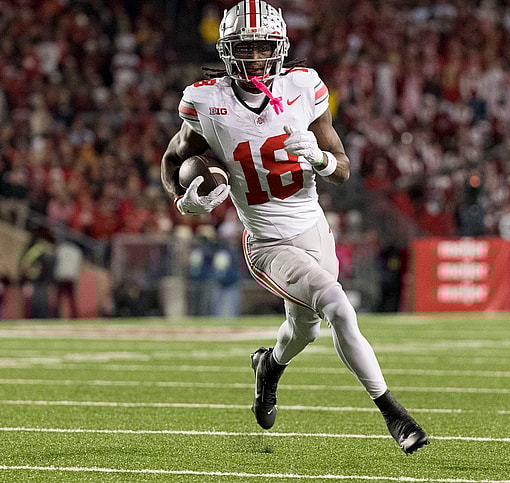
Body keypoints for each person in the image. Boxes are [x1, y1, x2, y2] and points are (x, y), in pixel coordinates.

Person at [160, 0, 427, 454]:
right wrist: (185, 201)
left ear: (279, 47)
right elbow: (172, 161)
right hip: (266, 240)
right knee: (338, 306)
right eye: (247, 49)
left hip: (313, 228)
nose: (257, 58)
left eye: (264, 47)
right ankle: (393, 414)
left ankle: (269, 367)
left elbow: (343, 169)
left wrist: (321, 159)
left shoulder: (305, 87)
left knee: (306, 329)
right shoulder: (207, 100)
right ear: (228, 50)